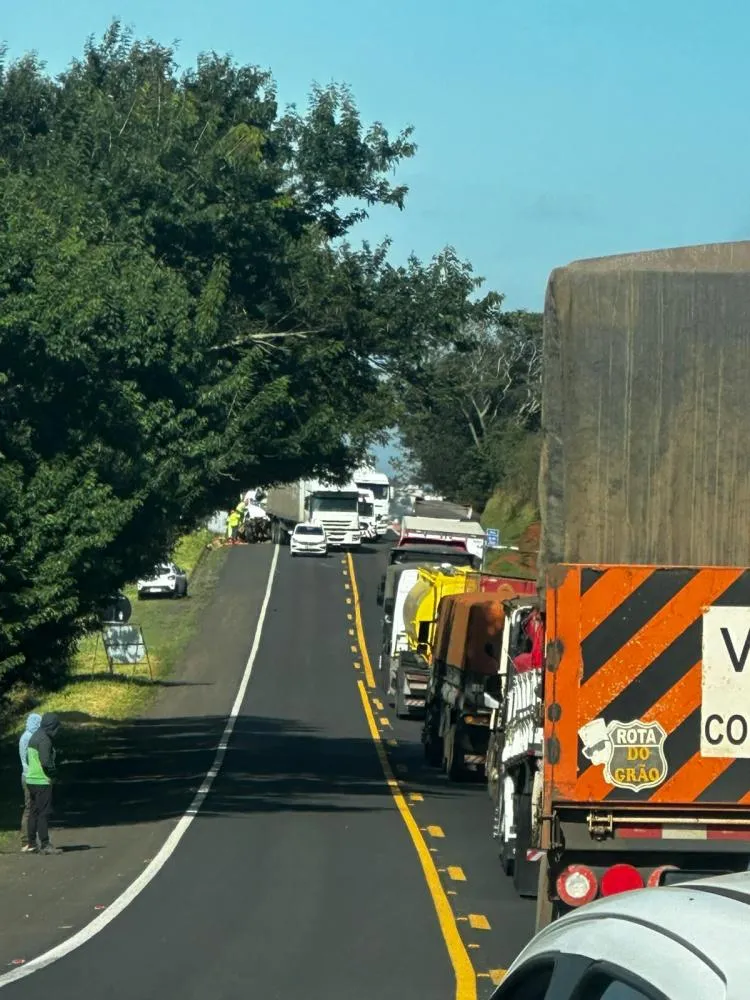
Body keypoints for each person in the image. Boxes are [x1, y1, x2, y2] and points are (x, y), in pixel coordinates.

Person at [25, 712, 63, 856]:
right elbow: (46, 761)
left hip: (31, 779)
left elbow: (28, 759)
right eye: (56, 727)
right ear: (52, 727)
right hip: (42, 780)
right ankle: (45, 844)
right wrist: (53, 774)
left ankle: (32, 843)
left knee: (33, 812)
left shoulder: (34, 736)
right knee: (44, 813)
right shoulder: (45, 739)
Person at [19, 712, 42, 852]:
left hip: (26, 775)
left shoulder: (25, 736)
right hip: (31, 776)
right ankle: (27, 841)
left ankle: (30, 840)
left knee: (31, 808)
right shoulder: (30, 738)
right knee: (31, 808)